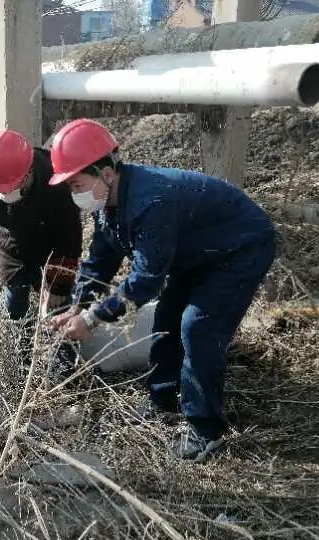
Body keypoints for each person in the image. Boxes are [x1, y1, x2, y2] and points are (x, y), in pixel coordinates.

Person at [49, 119, 276, 462]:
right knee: (168, 317)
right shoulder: (108, 205)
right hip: (198, 252)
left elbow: (146, 280)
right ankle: (163, 399)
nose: (73, 193)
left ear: (106, 173)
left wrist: (93, 318)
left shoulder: (150, 201)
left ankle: (206, 431)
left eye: (75, 184)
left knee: (198, 327)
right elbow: (100, 259)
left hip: (239, 248)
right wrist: (78, 305)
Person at [0, 129, 82, 321]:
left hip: (50, 250)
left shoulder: (55, 182)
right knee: (13, 308)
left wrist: (58, 285)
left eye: (10, 187)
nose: (4, 194)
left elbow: (69, 236)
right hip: (12, 247)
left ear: (29, 173)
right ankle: (14, 329)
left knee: (59, 310)